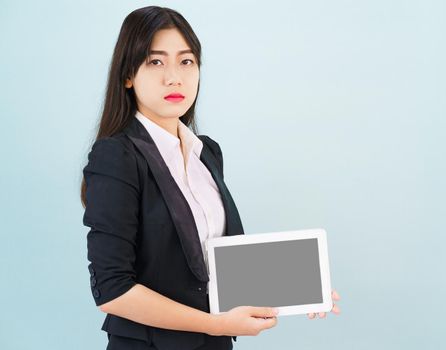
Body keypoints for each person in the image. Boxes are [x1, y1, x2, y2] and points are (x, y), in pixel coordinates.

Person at [80, 6, 340, 350]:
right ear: (128, 75)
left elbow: (215, 264)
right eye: (156, 62)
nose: (174, 77)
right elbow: (113, 291)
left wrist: (302, 289)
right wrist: (216, 324)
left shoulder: (207, 152)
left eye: (186, 62)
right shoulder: (117, 157)